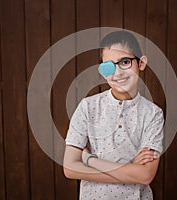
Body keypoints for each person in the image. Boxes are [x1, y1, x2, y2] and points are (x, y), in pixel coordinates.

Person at [63, 30, 164, 200]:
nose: (117, 73)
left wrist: (89, 160)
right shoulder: (88, 107)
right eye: (108, 66)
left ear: (141, 63)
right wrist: (130, 170)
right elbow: (70, 168)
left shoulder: (153, 114)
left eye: (125, 62)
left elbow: (145, 175)